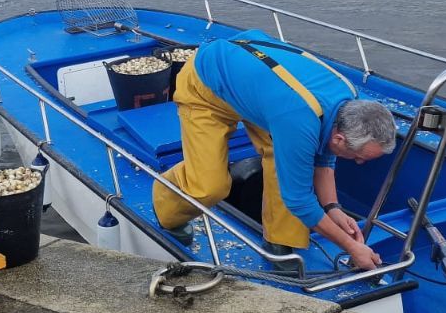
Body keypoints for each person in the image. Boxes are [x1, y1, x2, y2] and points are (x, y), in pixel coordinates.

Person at [152, 33, 396, 270]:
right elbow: (299, 200)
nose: (359, 163)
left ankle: (280, 240)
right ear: (341, 138)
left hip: (263, 91)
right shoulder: (299, 120)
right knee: (209, 186)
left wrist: (333, 208)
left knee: (287, 163)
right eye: (358, 157)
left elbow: (325, 154)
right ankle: (166, 201)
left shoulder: (347, 102)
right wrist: (352, 248)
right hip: (207, 82)